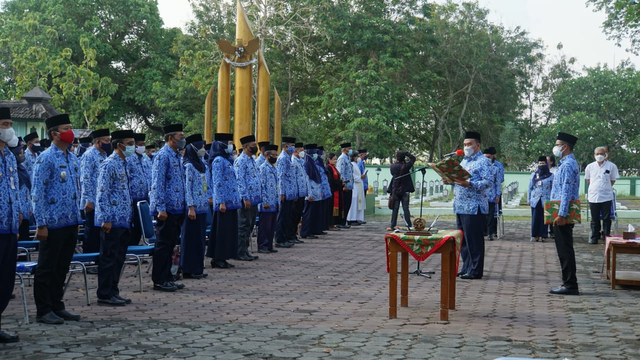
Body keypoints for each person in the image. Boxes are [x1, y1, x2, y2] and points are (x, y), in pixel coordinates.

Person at [32, 114, 84, 324]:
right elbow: (37, 192)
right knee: (47, 267)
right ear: (55, 133)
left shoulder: (72, 157)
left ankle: (57, 305)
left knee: (62, 266)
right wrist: (41, 223)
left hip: (71, 220)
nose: (70, 131)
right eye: (66, 128)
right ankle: (43, 310)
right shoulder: (46, 158)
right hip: (52, 223)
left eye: (71, 127)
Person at [95, 130, 135, 306]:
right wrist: (105, 217)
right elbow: (102, 193)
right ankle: (104, 293)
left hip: (124, 218)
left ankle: (114, 290)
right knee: (108, 257)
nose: (133, 146)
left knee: (118, 257)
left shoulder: (124, 163)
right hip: (111, 219)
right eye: (130, 142)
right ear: (119, 145)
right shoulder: (109, 164)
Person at [450, 131, 492, 280]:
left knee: (474, 240)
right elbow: (459, 179)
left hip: (474, 207)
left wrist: (470, 184)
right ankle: (466, 266)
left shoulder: (483, 161)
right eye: (465, 144)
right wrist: (449, 179)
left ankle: (475, 270)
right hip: (461, 205)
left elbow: (488, 182)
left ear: (478, 145)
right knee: (463, 241)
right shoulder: (464, 162)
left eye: (470, 144)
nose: (467, 147)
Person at [149, 124, 187, 292]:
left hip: (178, 208)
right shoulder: (162, 156)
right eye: (180, 136)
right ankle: (159, 279)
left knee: (172, 244)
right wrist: (160, 208)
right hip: (166, 209)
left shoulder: (177, 155)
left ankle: (168, 277)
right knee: (163, 245)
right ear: (171, 138)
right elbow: (157, 184)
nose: (183, 140)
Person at [549, 132, 580, 295]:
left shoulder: (568, 165)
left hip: (563, 214)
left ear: (565, 146)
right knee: (564, 249)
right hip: (560, 211)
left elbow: (566, 191)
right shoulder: (566, 163)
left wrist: (561, 215)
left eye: (557, 144)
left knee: (565, 249)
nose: (555, 147)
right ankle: (568, 283)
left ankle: (570, 285)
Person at [0, 108, 20, 342]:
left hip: (9, 227)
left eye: (9, 124)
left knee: (5, 281)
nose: (9, 129)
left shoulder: (10, 156)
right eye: (5, 124)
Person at [207, 133, 242, 268]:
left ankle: (225, 256)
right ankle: (217, 258)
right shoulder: (218, 160)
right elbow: (217, 182)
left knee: (228, 231)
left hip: (231, 201)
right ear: (221, 145)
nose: (230, 145)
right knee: (221, 231)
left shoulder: (227, 160)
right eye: (228, 143)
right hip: (223, 202)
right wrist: (221, 201)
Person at [181, 134, 210, 279]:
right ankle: (188, 268)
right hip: (193, 209)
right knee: (190, 239)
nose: (203, 149)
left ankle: (198, 268)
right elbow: (187, 188)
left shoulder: (201, 164)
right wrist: (190, 206)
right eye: (202, 147)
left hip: (203, 206)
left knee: (200, 239)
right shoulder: (188, 166)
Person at [80, 128, 111, 258]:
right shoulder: (89, 155)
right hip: (92, 201)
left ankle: (99, 258)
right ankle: (89, 260)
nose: (109, 143)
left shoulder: (105, 155)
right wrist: (89, 199)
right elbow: (85, 178)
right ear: (98, 142)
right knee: (91, 232)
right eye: (106, 140)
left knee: (100, 232)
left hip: (102, 201)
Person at [234, 135, 261, 261]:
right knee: (243, 225)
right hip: (245, 199)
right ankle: (240, 251)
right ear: (246, 147)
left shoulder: (252, 160)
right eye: (253, 145)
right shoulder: (241, 161)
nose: (255, 147)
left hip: (254, 198)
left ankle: (245, 250)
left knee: (250, 225)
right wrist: (245, 197)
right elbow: (240, 180)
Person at [585, 146, 618, 244]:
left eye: (601, 154)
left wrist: (604, 187)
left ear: (605, 155)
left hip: (606, 196)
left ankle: (606, 237)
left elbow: (612, 180)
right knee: (594, 218)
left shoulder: (611, 166)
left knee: (606, 218)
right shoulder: (590, 166)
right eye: (597, 154)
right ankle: (594, 237)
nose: (599, 156)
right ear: (594, 155)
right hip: (593, 196)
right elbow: (588, 180)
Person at [126, 133, 151, 246]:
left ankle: (135, 249)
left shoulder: (143, 159)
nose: (142, 147)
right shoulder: (129, 158)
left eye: (144, 145)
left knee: (140, 226)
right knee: (134, 226)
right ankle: (131, 250)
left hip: (143, 197)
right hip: (133, 198)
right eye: (140, 144)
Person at [275, 137, 298, 248]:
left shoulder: (289, 158)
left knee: (287, 217)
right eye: (291, 145)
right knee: (282, 217)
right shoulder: (283, 158)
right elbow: (281, 177)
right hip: (285, 192)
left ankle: (285, 238)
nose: (293, 148)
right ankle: (280, 239)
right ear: (285, 146)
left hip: (290, 193)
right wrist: (282, 192)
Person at [257, 145, 280, 253]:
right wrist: (264, 201)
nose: (275, 157)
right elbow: (261, 186)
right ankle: (263, 245)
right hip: (266, 202)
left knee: (271, 226)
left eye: (276, 155)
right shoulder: (263, 168)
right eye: (273, 155)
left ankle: (269, 245)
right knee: (264, 226)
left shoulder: (273, 168)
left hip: (274, 201)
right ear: (267, 155)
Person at [9, 144, 31, 244]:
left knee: (24, 242)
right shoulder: (10, 171)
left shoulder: (21, 168)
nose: (22, 155)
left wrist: (30, 206)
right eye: (20, 153)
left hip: (25, 212)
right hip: (16, 213)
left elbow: (27, 190)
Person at [388, 150, 416, 231]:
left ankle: (393, 225)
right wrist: (406, 153)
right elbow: (413, 159)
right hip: (405, 190)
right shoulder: (406, 166)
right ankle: (408, 224)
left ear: (396, 158)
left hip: (395, 189)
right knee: (406, 208)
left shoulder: (392, 166)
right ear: (404, 158)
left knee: (395, 208)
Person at [528, 156, 554, 242]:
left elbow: (553, 188)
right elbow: (530, 188)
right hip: (535, 199)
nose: (541, 165)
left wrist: (553, 199)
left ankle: (543, 235)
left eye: (543, 163)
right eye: (539, 163)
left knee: (544, 218)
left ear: (546, 164)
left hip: (546, 199)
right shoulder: (534, 175)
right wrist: (529, 199)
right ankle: (535, 235)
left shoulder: (550, 176)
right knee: (535, 218)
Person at [299, 144, 323, 239]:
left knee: (314, 214)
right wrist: (309, 194)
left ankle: (312, 231)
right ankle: (305, 232)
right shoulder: (306, 165)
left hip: (316, 193)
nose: (316, 155)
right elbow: (306, 181)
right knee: (308, 214)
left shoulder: (313, 164)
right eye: (314, 153)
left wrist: (319, 191)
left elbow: (317, 180)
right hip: (310, 194)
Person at [290, 142, 307, 243]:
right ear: (296, 151)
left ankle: (294, 236)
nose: (303, 152)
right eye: (301, 150)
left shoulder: (300, 161)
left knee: (298, 215)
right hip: (296, 193)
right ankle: (292, 235)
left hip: (302, 192)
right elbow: (293, 179)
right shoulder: (293, 161)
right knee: (294, 215)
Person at [336, 142, 353, 228]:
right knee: (344, 204)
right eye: (348, 148)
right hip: (345, 185)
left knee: (348, 204)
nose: (350, 150)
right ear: (344, 149)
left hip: (350, 185)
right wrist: (344, 185)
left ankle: (344, 221)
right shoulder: (342, 158)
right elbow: (340, 172)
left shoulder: (348, 158)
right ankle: (341, 222)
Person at [347, 150, 366, 225]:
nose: (358, 158)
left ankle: (357, 218)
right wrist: (360, 177)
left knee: (358, 203)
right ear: (354, 157)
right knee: (353, 203)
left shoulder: (356, 164)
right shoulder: (351, 164)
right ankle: (351, 219)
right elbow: (352, 176)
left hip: (359, 186)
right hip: (354, 186)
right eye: (357, 156)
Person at [316, 146, 332, 233]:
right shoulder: (316, 163)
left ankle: (322, 227)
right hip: (320, 190)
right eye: (322, 153)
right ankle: (319, 228)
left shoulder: (322, 163)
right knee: (320, 211)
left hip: (325, 190)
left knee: (324, 210)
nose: (324, 155)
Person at [483, 148, 498, 241]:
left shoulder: (495, 169)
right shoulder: (479, 167)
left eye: (488, 157)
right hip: (481, 195)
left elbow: (498, 183)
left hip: (491, 195)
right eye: (485, 157)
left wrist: (498, 195)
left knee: (490, 216)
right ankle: (482, 232)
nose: (487, 159)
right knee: (482, 216)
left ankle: (490, 233)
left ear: (492, 157)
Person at [326, 153, 343, 231]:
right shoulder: (328, 168)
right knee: (330, 208)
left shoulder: (334, 168)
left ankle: (333, 223)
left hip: (336, 189)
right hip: (332, 190)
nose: (336, 161)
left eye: (336, 159)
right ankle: (329, 224)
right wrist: (339, 183)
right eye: (334, 159)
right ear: (329, 159)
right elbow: (331, 180)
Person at [356, 149, 368, 225]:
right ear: (360, 155)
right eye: (364, 154)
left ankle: (360, 218)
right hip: (361, 184)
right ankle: (358, 218)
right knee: (359, 202)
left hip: (364, 185)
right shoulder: (359, 163)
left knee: (362, 202)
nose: (365, 156)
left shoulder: (362, 163)